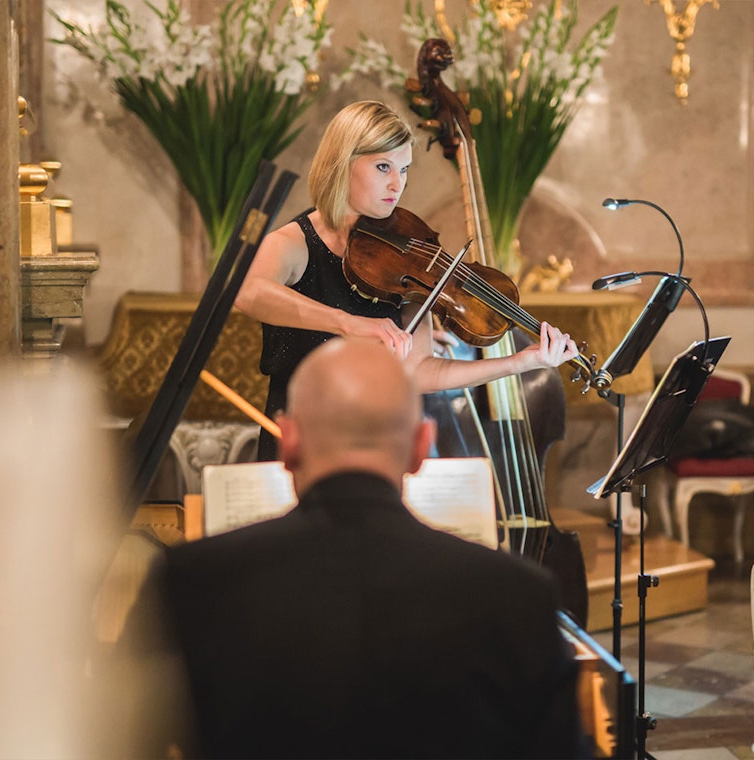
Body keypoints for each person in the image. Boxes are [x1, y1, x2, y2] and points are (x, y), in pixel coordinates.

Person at [119, 338, 589, 758]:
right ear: (421, 446)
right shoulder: (516, 595)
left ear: (290, 443)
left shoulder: (190, 582)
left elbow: (118, 743)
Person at [234, 100, 578, 461]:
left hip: (377, 448)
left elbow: (420, 371)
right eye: (383, 167)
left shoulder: (409, 257)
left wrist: (521, 363)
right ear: (342, 163)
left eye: (404, 169)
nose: (397, 184)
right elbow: (248, 292)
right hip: (300, 444)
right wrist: (348, 324)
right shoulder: (295, 244)